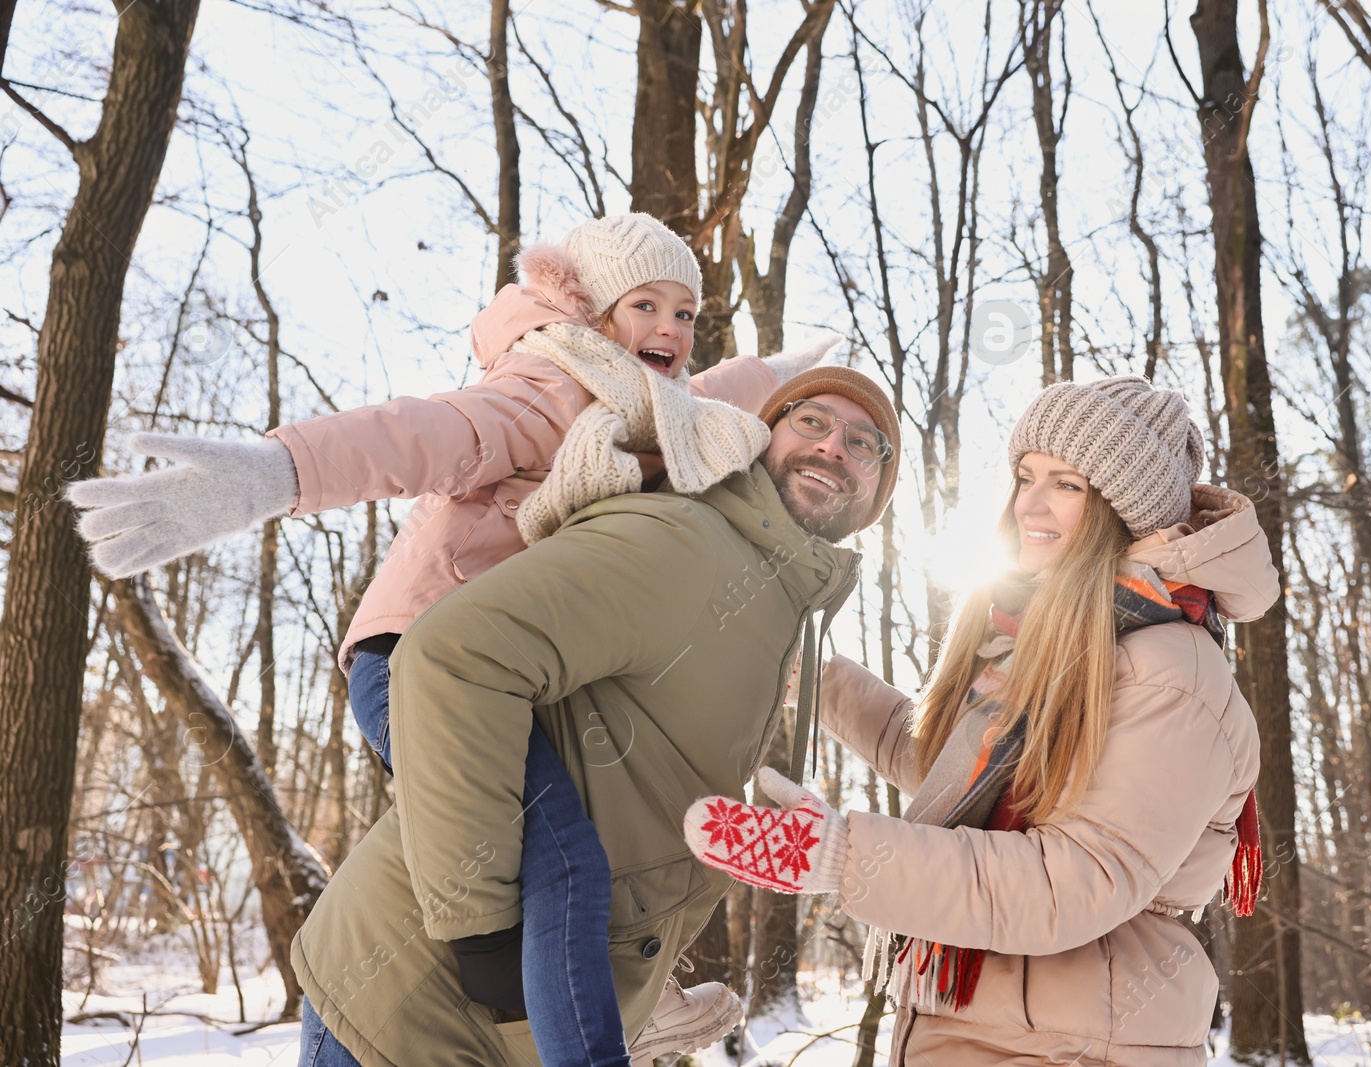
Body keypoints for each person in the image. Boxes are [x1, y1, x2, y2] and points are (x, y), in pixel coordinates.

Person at [66, 212, 838, 1062]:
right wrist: (273, 474)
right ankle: (579, 1035)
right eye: (646, 304)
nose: (669, 328)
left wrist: (788, 378)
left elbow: (715, 394)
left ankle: (590, 1003)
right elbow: (418, 435)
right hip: (414, 656)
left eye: (686, 313)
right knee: (565, 857)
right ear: (593, 312)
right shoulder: (548, 388)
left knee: (563, 835)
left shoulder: (658, 410)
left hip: (509, 673)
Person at [289, 365, 901, 1066]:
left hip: (508, 1032)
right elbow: (449, 658)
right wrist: (483, 931)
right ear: (763, 437)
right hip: (414, 1006)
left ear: (879, 491)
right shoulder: (686, 541)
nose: (832, 446)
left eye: (865, 443)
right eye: (812, 421)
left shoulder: (770, 605)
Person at [686, 376, 1281, 1066]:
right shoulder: (1061, 634)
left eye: (1067, 484)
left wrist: (842, 856)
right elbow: (952, 770)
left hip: (1075, 1043)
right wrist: (816, 678)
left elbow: (1069, 882)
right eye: (1026, 475)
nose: (1029, 501)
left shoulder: (1170, 670)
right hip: (991, 1023)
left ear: (1124, 508)